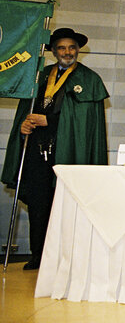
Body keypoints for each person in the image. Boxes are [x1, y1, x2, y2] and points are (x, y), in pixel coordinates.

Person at [1, 27, 108, 270]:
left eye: (71, 47)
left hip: (70, 155)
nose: (67, 52)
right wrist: (24, 124)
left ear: (78, 50)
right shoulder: (39, 76)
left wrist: (50, 121)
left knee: (68, 206)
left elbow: (86, 122)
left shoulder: (89, 80)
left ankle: (69, 258)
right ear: (53, 51)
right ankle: (39, 256)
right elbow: (25, 111)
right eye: (61, 47)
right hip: (37, 154)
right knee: (39, 205)